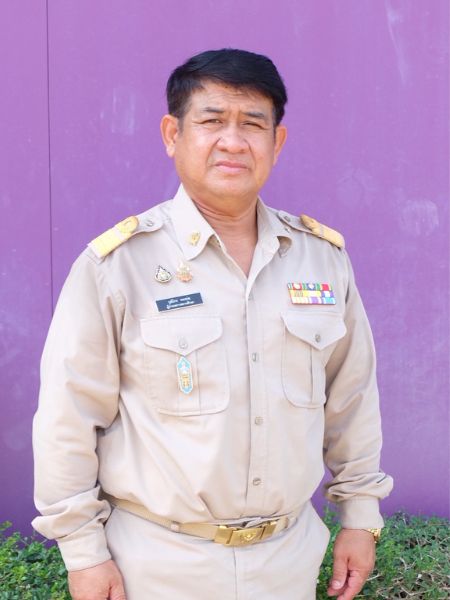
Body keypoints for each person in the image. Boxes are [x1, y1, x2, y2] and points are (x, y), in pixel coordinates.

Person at [33, 48, 393, 600]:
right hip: (156, 564)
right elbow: (69, 416)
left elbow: (352, 399)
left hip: (288, 560)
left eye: (253, 124)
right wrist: (83, 554)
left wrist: (360, 517)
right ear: (172, 134)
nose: (233, 140)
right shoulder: (118, 266)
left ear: (277, 142)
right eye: (212, 120)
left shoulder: (321, 260)